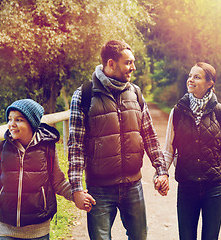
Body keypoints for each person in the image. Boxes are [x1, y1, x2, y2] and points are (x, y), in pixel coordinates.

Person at [68, 39, 169, 240]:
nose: (133, 67)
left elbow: (149, 136)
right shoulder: (84, 95)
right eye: (128, 62)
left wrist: (161, 170)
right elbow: (75, 146)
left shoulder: (136, 94)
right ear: (111, 64)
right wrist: (77, 189)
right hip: (99, 190)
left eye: (133, 62)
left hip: (133, 186)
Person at [159, 62, 221, 240]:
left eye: (197, 77)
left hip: (213, 188)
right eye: (190, 76)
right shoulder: (177, 112)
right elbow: (168, 150)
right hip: (187, 187)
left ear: (210, 83)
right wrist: (162, 174)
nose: (190, 80)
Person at [0, 99, 92, 240]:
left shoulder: (47, 149)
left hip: (38, 230)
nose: (11, 124)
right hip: (7, 229)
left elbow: (59, 182)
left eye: (18, 120)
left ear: (32, 123)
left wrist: (76, 195)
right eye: (9, 119)